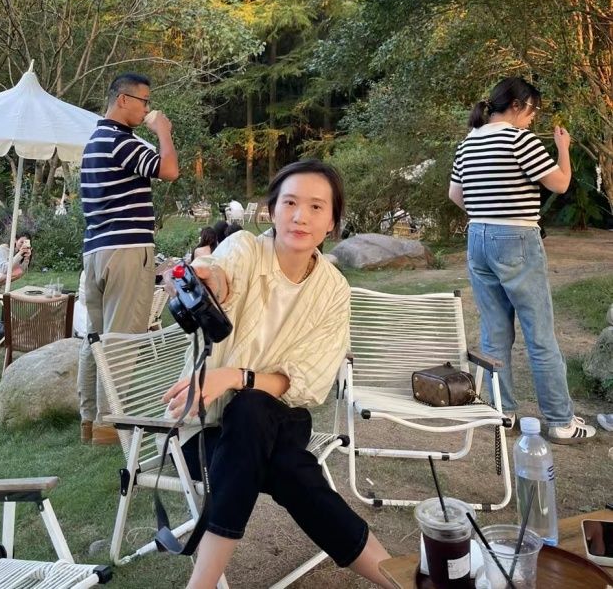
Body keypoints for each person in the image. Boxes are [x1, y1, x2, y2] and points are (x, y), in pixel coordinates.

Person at [162, 160, 396, 588]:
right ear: (271, 210)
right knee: (290, 469)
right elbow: (222, 274)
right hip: (208, 434)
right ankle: (398, 578)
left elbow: (306, 380)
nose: (300, 216)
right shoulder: (246, 250)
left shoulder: (333, 290)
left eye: (316, 206)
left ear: (332, 221)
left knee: (252, 406)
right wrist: (208, 279)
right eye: (289, 203)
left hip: (283, 418)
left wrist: (234, 376)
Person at [449, 76, 595, 443]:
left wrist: (486, 213)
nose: (533, 118)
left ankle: (502, 413)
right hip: (517, 238)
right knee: (539, 333)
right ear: (517, 105)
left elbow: (455, 194)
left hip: (478, 237)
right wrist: (563, 148)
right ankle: (560, 421)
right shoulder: (519, 140)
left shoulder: (468, 142)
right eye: (533, 110)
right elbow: (560, 183)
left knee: (494, 332)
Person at [78, 71, 179, 446]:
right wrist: (163, 132)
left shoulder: (94, 142)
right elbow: (169, 170)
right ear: (123, 99)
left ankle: (89, 419)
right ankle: (110, 424)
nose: (147, 108)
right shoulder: (122, 141)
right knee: (121, 339)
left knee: (96, 339)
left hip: (96, 252)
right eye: (144, 101)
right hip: (126, 251)